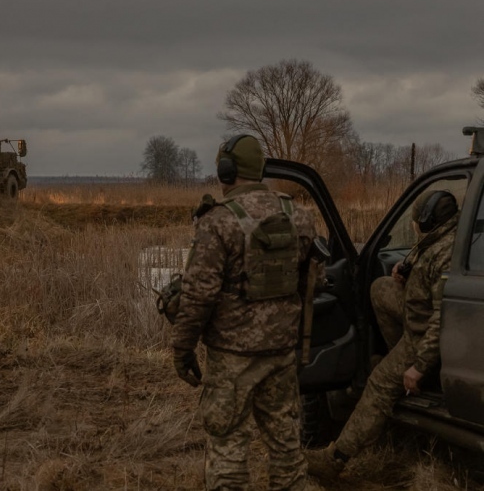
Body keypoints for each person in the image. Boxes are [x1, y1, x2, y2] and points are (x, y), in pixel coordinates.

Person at [170, 134, 319, 491]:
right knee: (286, 447)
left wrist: (182, 348)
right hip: (282, 353)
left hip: (232, 358)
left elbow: (198, 295)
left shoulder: (218, 221)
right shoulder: (298, 216)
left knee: (228, 446)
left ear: (226, 170)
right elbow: (312, 282)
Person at [306, 190, 459, 480]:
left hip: (424, 334)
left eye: (416, 220)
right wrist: (405, 269)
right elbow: (423, 259)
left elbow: (443, 319)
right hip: (418, 315)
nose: (414, 225)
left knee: (377, 383)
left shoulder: (446, 256)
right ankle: (398, 360)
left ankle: (335, 458)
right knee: (379, 288)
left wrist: (419, 365)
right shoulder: (443, 237)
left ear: (426, 220)